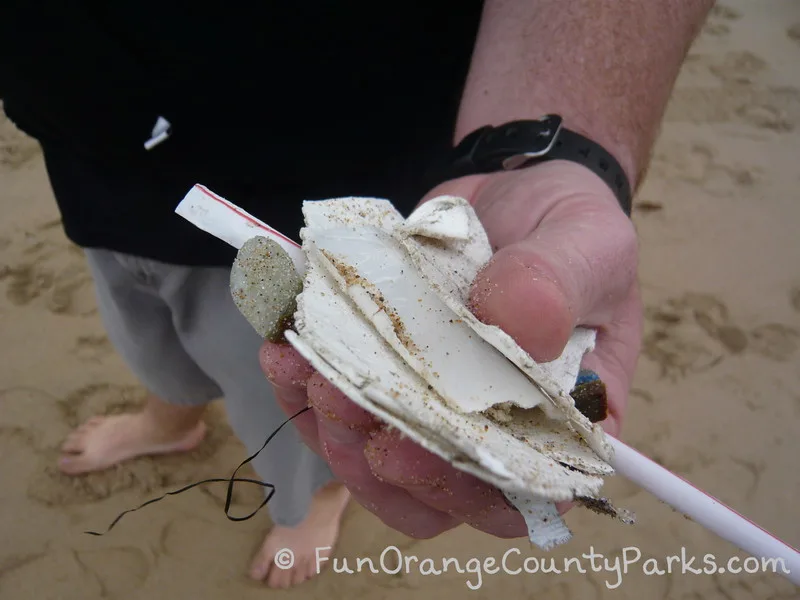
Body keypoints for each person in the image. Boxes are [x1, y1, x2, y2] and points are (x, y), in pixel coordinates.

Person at [0, 0, 714, 589]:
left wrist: (549, 145)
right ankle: (170, 416)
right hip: (94, 158)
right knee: (152, 337)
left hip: (319, 169)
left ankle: (314, 499)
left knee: (295, 386)